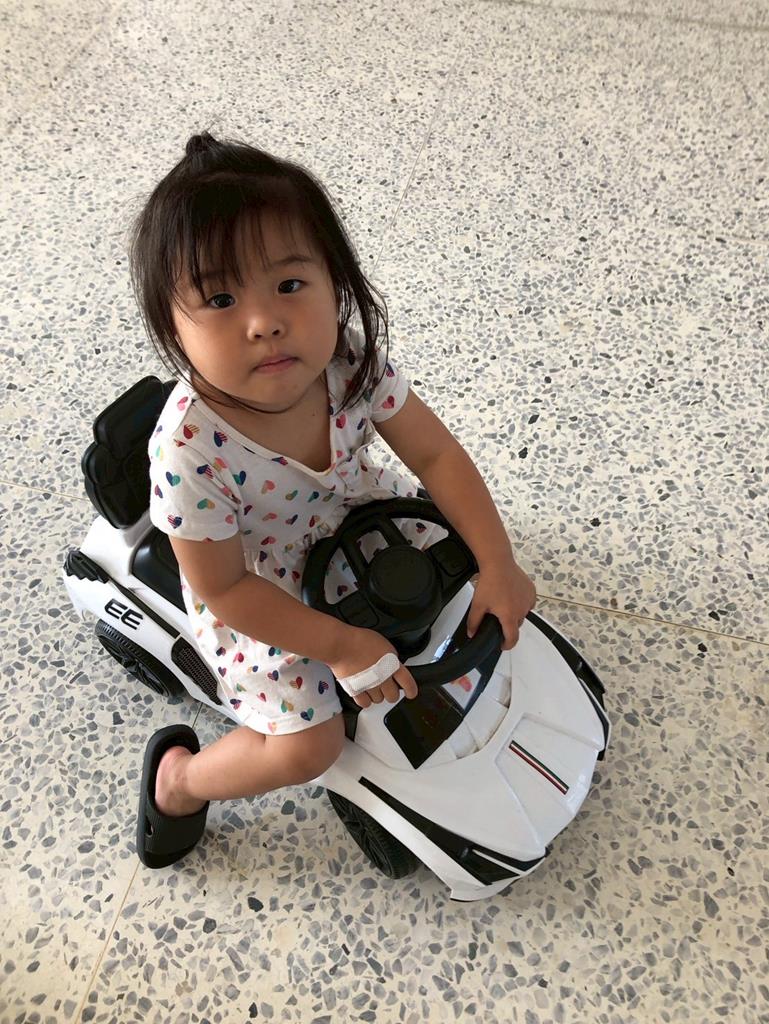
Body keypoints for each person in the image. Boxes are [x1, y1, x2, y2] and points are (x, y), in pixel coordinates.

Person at [129, 130, 537, 868]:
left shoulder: (348, 358)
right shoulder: (187, 451)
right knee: (307, 747)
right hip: (262, 585)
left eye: (289, 285)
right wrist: (341, 645)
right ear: (171, 326)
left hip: (359, 517)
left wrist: (499, 562)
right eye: (220, 299)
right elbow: (224, 588)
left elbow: (437, 455)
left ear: (334, 280)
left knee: (459, 587)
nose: (264, 322)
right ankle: (181, 781)